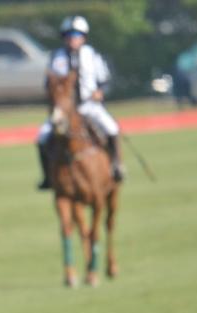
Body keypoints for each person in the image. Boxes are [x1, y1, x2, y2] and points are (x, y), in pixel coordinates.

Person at [36, 15, 124, 190]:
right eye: (69, 34)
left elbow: (106, 80)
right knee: (42, 137)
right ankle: (48, 177)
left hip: (89, 105)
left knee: (112, 128)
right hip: (64, 110)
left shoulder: (92, 55)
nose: (72, 38)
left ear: (84, 37)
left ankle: (116, 166)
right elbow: (49, 84)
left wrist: (100, 92)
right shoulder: (56, 57)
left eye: (76, 34)